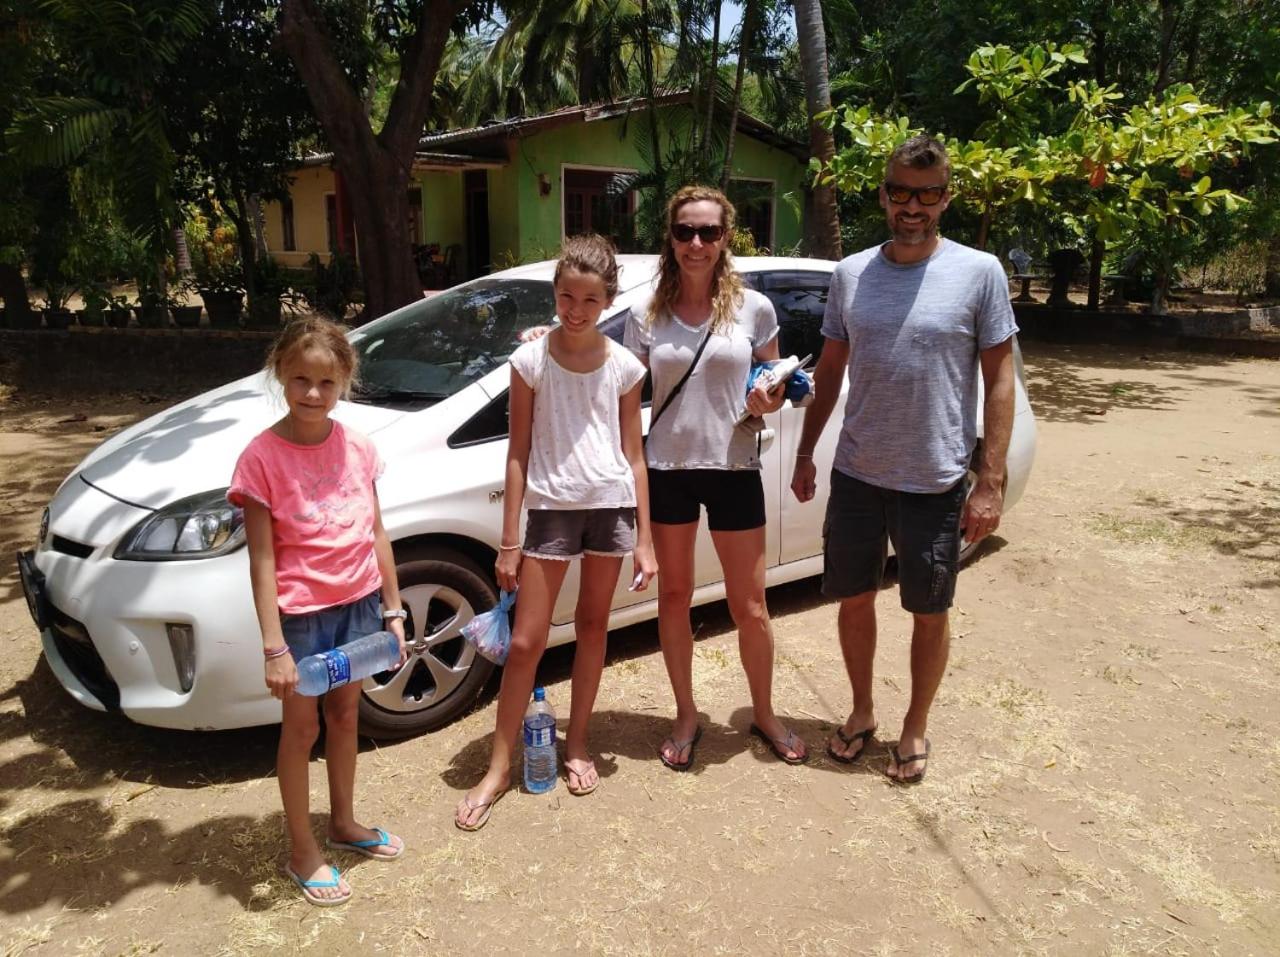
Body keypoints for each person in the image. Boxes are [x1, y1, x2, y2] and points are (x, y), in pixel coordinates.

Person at [791, 135, 1018, 785]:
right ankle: (862, 710)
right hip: (857, 473)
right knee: (853, 599)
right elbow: (830, 370)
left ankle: (915, 725)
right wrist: (805, 450)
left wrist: (989, 480)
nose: (912, 206)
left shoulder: (980, 273)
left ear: (946, 197)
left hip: (935, 478)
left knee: (929, 609)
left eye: (927, 194)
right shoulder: (851, 274)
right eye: (900, 192)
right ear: (883, 194)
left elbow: (1000, 379)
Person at [455, 234, 657, 831]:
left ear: (609, 301)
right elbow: (516, 453)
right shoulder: (530, 361)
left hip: (610, 507)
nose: (576, 309)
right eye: (567, 296)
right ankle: (498, 768)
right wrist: (509, 540)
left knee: (594, 628)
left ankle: (578, 743)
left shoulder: (625, 366)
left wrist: (644, 538)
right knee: (526, 642)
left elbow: (635, 456)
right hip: (550, 510)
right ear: (555, 293)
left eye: (590, 300)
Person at [626, 185, 809, 770]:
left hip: (734, 467)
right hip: (668, 469)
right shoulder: (645, 313)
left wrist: (768, 398)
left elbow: (775, 381)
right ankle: (685, 714)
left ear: (726, 237)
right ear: (671, 238)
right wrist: (548, 338)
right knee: (674, 597)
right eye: (685, 231)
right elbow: (622, 391)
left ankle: (765, 712)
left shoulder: (754, 308)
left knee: (750, 605)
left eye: (708, 231)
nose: (697, 243)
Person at [228, 317, 408, 906]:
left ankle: (344, 822)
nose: (312, 392)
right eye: (300, 379)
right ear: (280, 373)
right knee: (302, 729)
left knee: (347, 715)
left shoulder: (359, 447)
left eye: (326, 382)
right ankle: (302, 849)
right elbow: (261, 560)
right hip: (301, 618)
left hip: (358, 605)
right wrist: (274, 647)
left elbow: (376, 533)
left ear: (344, 382)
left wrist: (393, 611)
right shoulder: (261, 459)